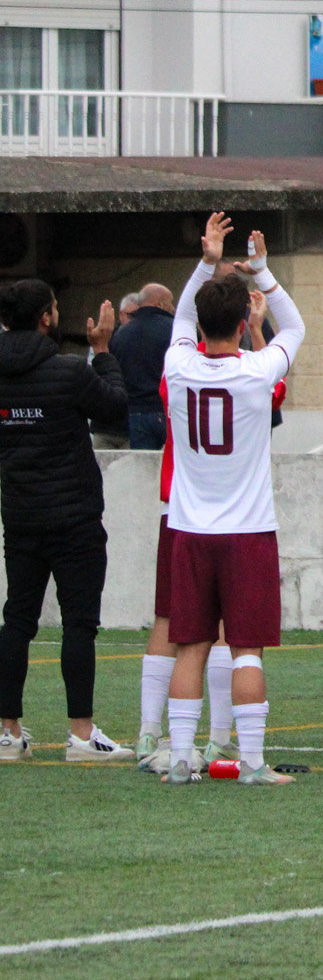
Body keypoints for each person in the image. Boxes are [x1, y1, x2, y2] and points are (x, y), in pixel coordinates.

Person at [159, 213, 306, 786]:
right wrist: (264, 272)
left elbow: (180, 317)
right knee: (245, 648)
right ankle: (249, 762)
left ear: (199, 322)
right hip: (247, 532)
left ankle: (178, 760)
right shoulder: (256, 369)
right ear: (245, 320)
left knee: (190, 647)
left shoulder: (178, 363)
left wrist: (206, 260)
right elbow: (294, 328)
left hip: (191, 528)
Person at [0, 278, 129, 763]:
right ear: (47, 318)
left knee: (17, 620)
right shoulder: (70, 371)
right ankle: (81, 733)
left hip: (20, 514)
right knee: (79, 623)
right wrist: (104, 351)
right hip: (75, 517)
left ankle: (8, 732)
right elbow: (116, 407)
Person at [109, 282, 175, 451]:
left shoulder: (121, 334)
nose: (173, 308)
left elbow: (114, 374)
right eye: (171, 303)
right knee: (174, 465)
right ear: (159, 304)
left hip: (136, 412)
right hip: (169, 410)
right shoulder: (175, 330)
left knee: (143, 468)